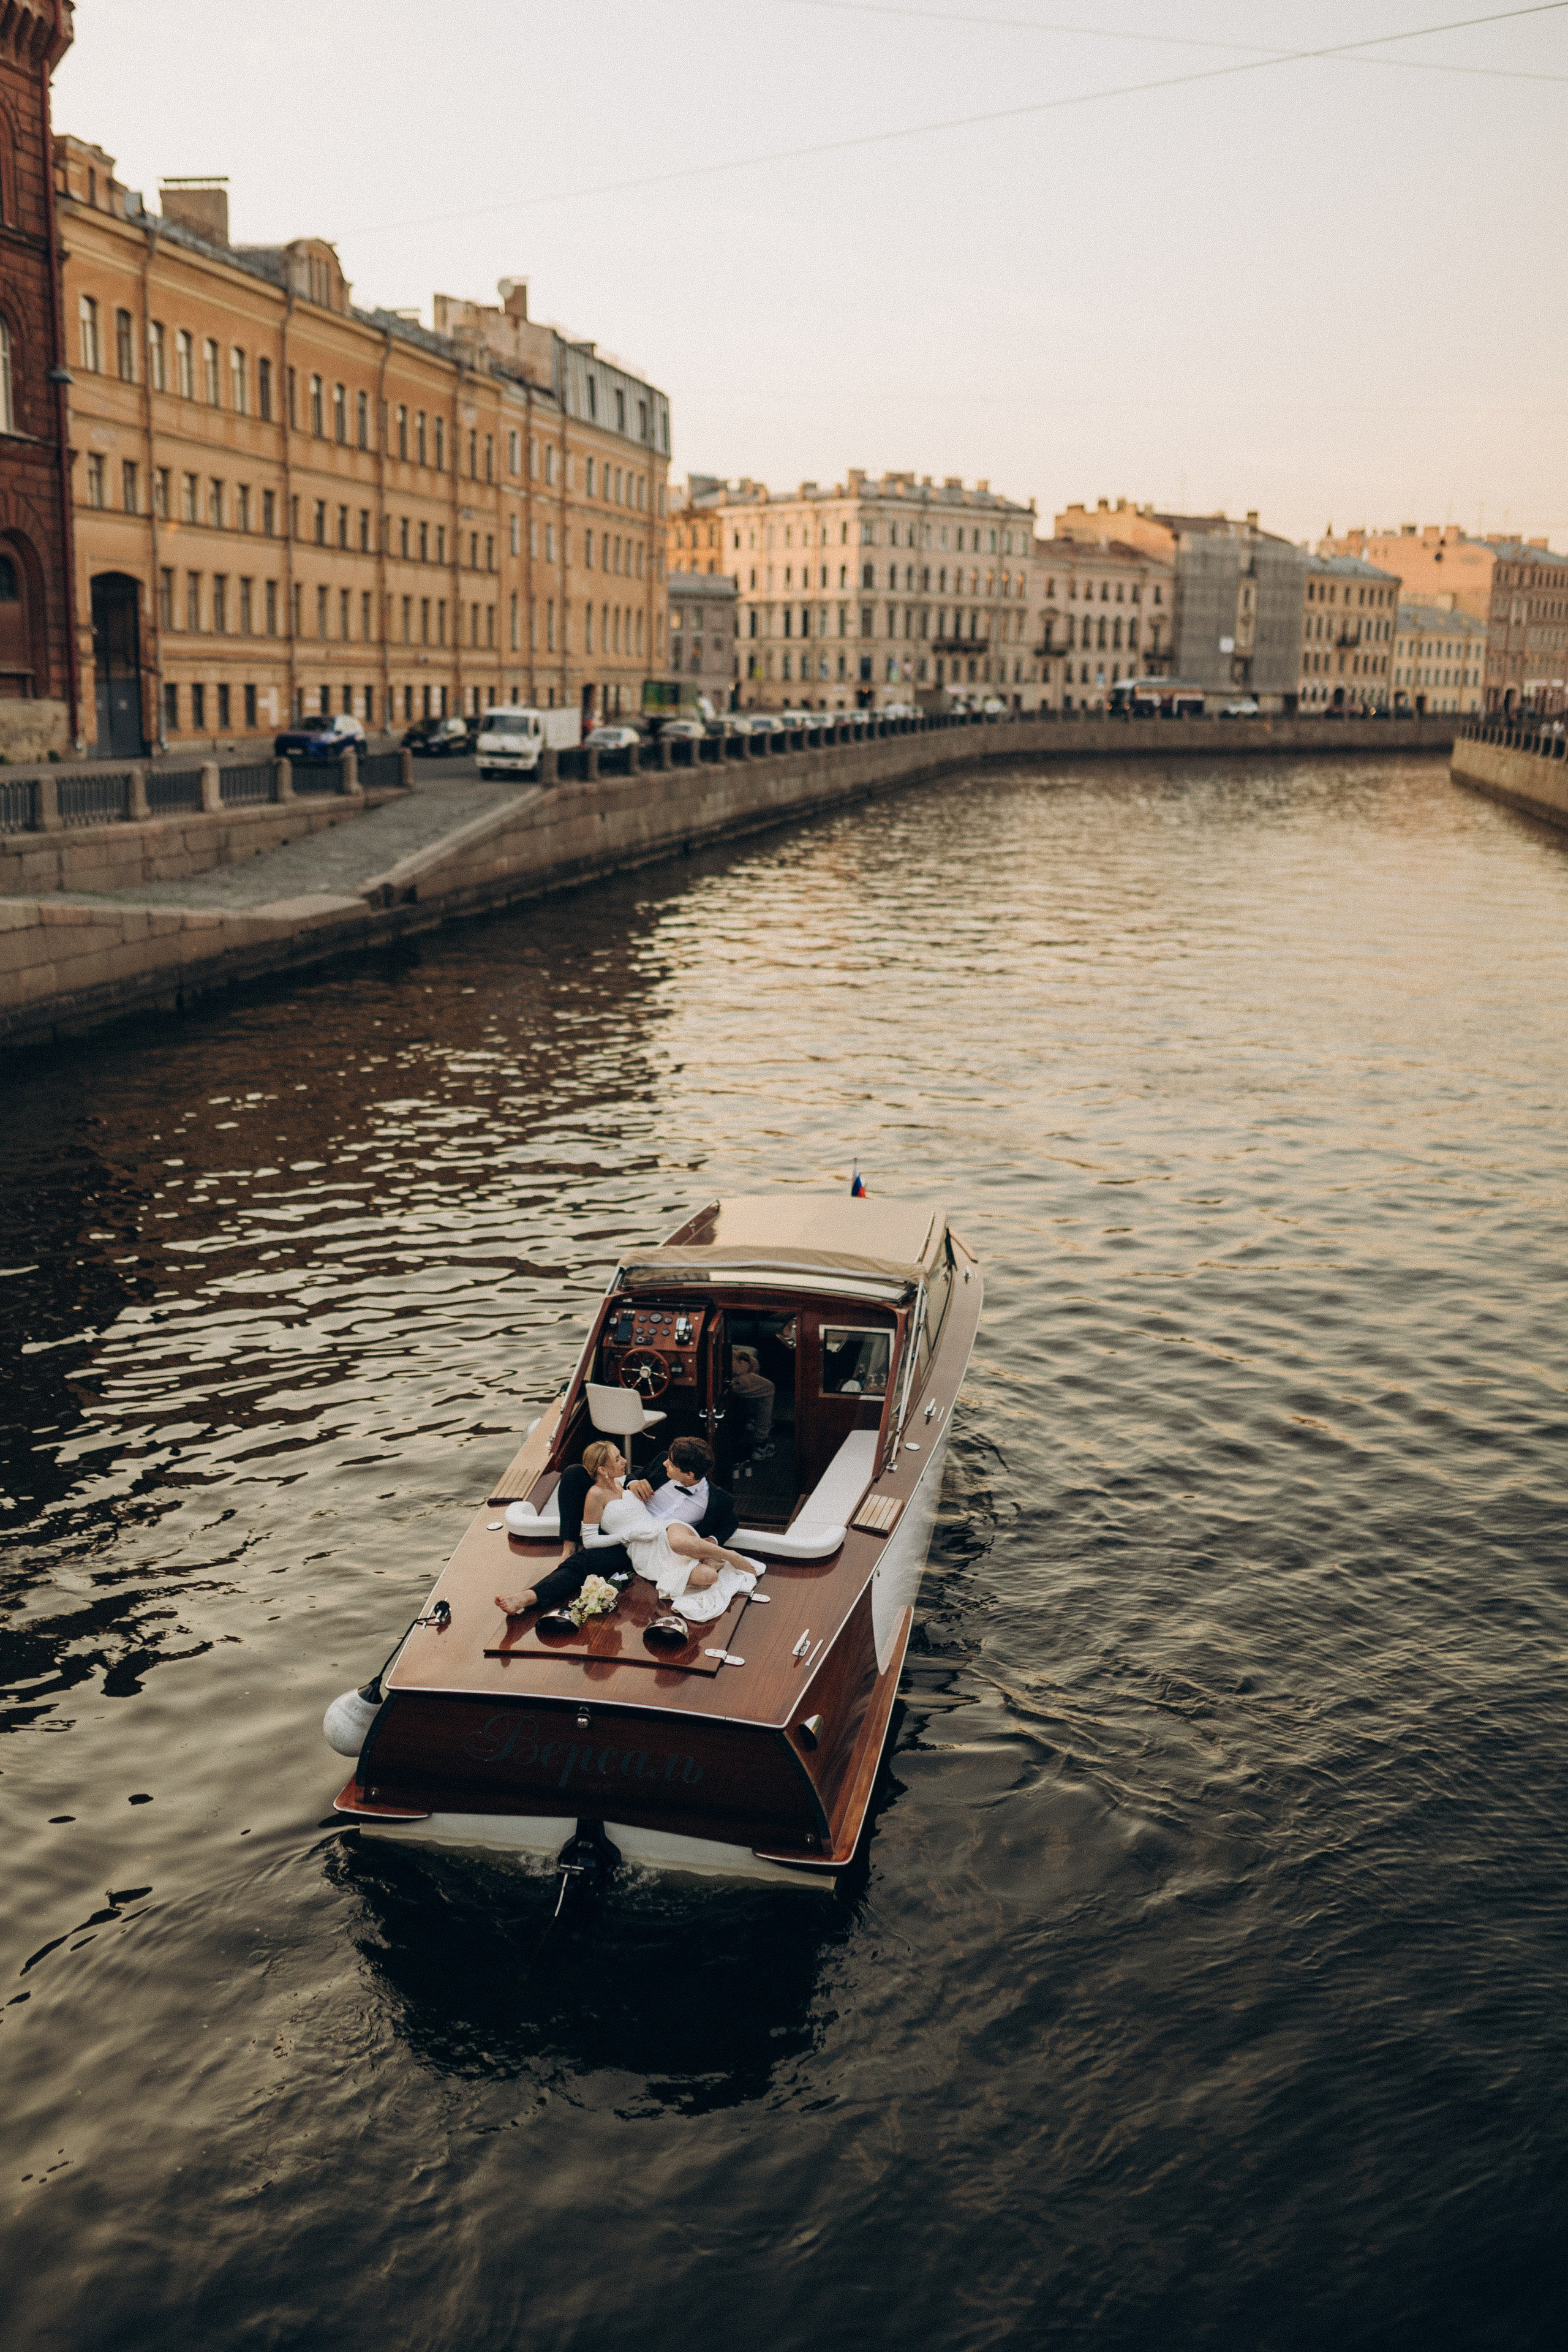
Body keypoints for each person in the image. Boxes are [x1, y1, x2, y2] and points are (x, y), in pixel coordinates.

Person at [494, 1437, 752, 1619]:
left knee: (588, 1562)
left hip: (646, 1543)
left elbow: (732, 1522)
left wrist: (714, 1539)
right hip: (623, 1526)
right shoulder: (663, 1462)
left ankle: (531, 1595)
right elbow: (633, 1475)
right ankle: (567, 1548)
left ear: (690, 1476)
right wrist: (633, 1483)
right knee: (573, 1474)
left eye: (672, 1465)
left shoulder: (718, 1499)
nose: (665, 1464)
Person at [724, 1348, 775, 1471]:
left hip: (728, 1367)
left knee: (754, 1362)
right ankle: (761, 1443)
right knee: (768, 1388)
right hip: (726, 1378)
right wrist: (746, 1362)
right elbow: (735, 1368)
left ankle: (750, 1419)